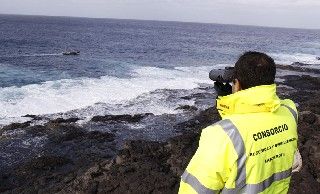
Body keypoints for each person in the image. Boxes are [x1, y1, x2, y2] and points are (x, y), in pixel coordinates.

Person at [179, 51, 299, 194]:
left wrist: (226, 100)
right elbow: (262, 109)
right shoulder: (289, 111)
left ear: (237, 84)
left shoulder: (221, 136)